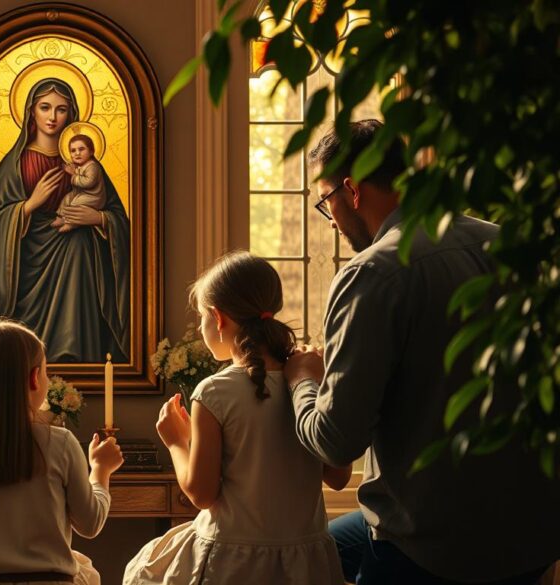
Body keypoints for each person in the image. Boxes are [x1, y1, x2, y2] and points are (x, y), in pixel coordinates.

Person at [285, 119, 560, 584]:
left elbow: (337, 440)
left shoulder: (373, 274)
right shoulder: (511, 246)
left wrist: (302, 380)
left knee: (303, 557)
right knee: (330, 547)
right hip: (529, 538)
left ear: (352, 191)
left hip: (428, 548)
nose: (329, 218)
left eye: (325, 201)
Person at [124, 251, 349, 585]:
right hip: (306, 564)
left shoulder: (215, 392)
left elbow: (202, 494)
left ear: (217, 318)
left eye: (201, 317)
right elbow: (339, 477)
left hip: (232, 564)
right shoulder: (310, 381)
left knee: (142, 571)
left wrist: (176, 441)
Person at [0, 320, 124, 584]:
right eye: (46, 372)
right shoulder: (59, 443)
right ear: (34, 378)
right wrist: (101, 470)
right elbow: (90, 523)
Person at [0, 77, 130, 363]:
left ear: (71, 114)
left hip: (77, 259)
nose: (53, 116)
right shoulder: (16, 162)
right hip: (26, 259)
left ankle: (76, 353)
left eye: (61, 109)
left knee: (79, 243)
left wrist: (98, 218)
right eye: (45, 107)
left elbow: (119, 217)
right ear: (31, 111)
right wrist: (28, 205)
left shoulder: (85, 163)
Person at [51, 134, 106, 234]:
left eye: (81, 149)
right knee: (67, 198)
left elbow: (88, 182)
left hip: (94, 197)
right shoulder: (79, 166)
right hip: (81, 193)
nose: (77, 153)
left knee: (76, 203)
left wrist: (73, 175)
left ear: (91, 152)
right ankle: (61, 217)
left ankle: (71, 223)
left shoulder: (92, 166)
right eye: (73, 151)